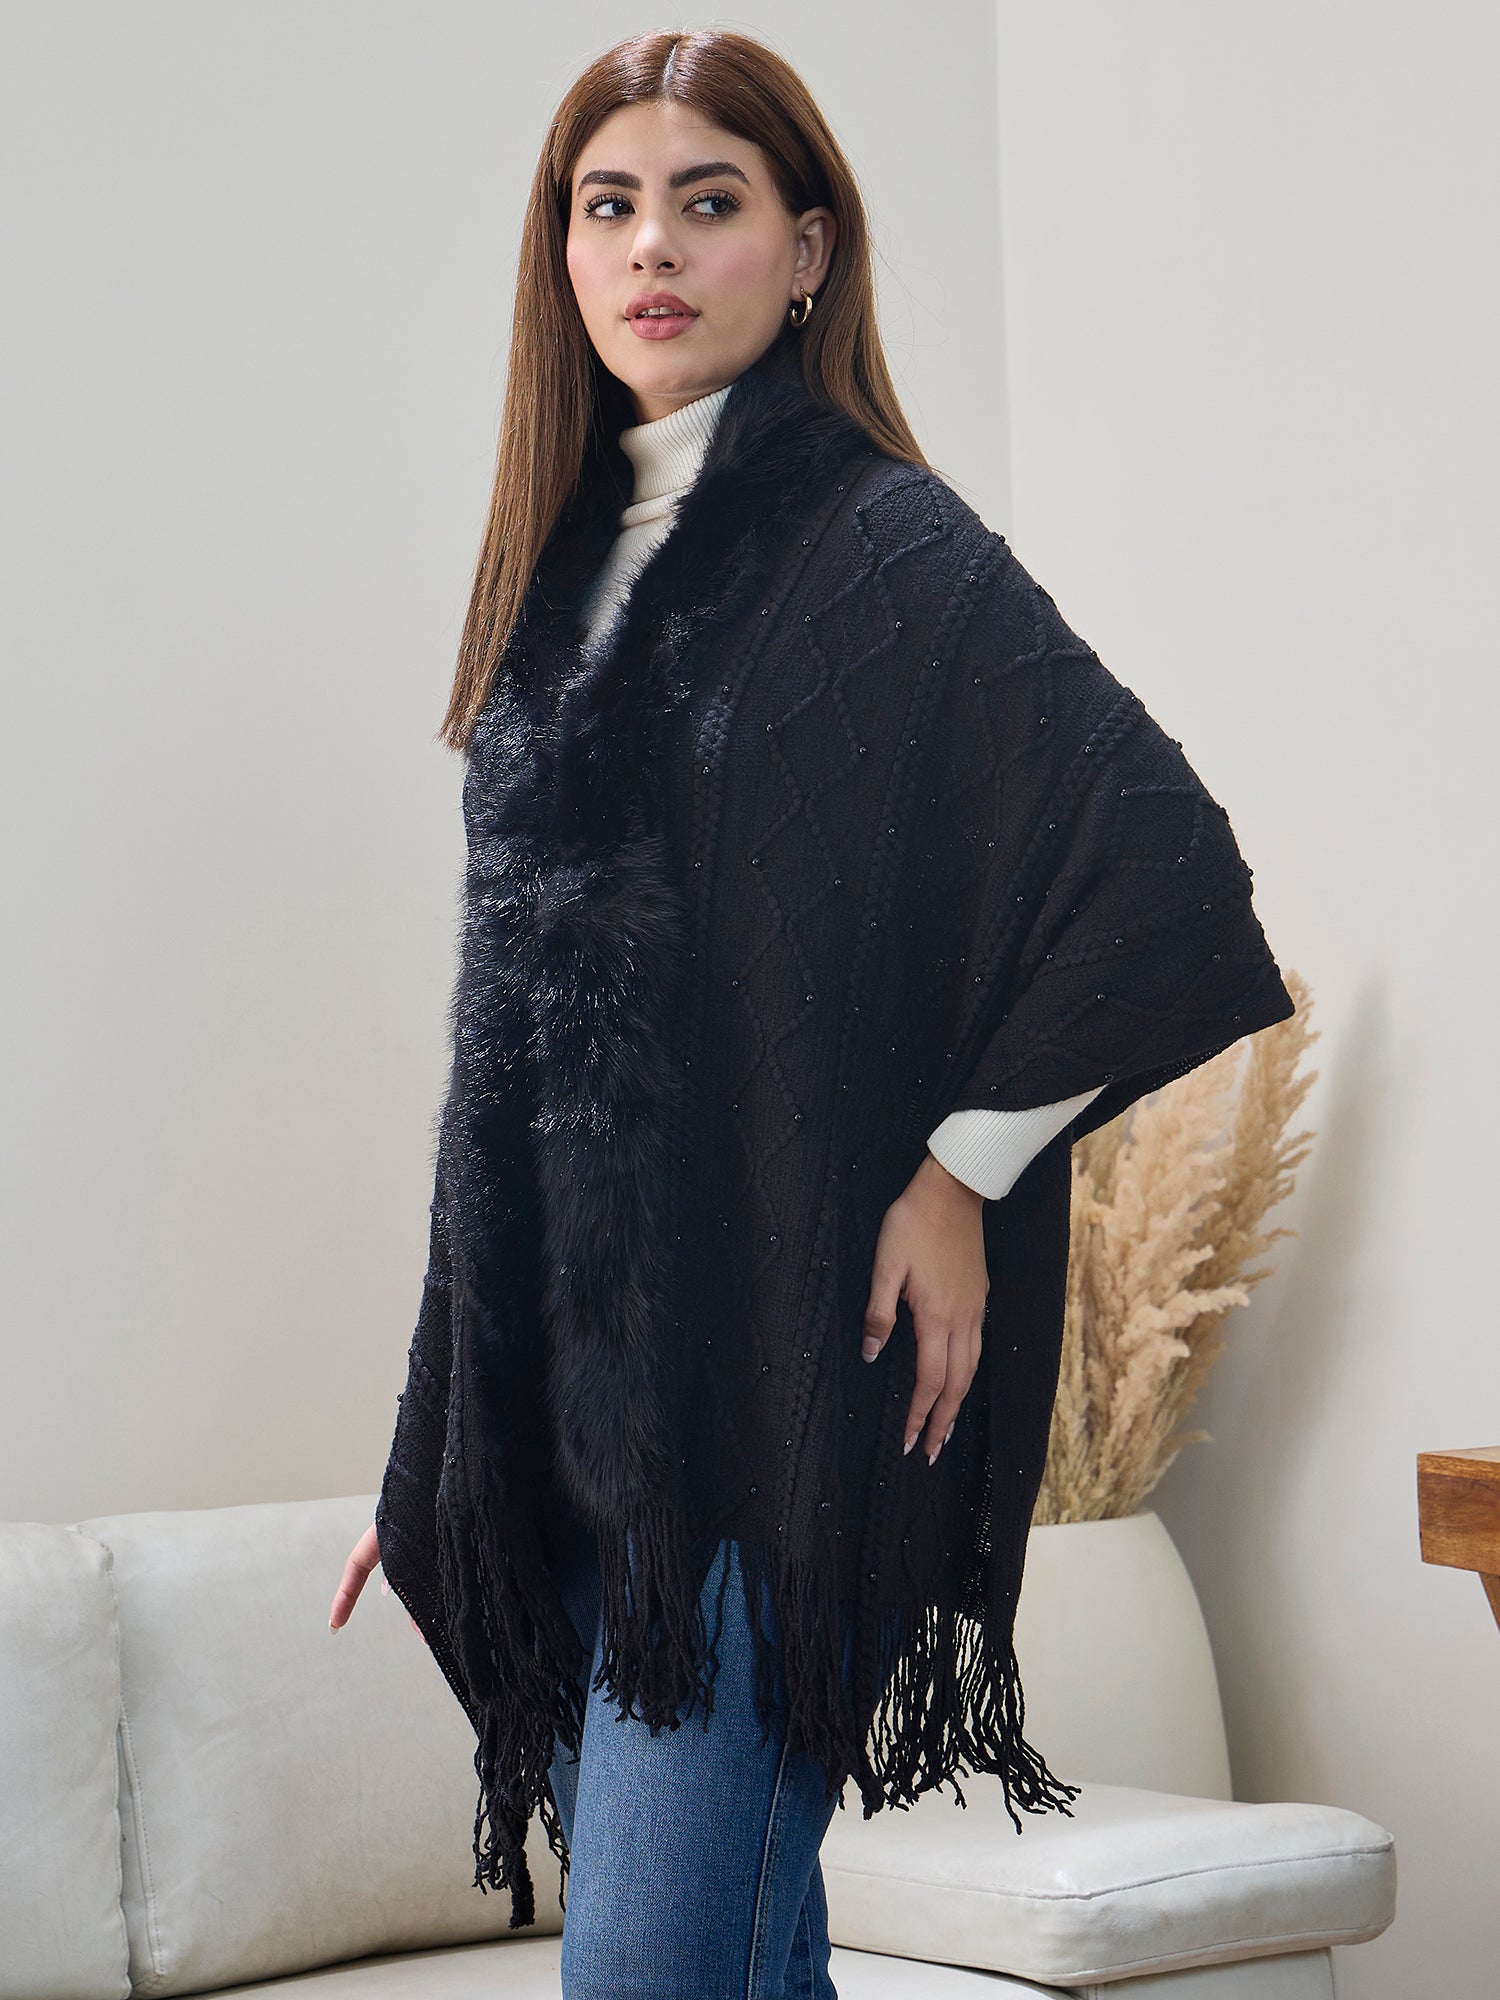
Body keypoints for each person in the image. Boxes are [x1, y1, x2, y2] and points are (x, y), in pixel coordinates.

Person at [328, 27, 1296, 2000]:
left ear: (808, 248)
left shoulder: (883, 546)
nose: (652, 247)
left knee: (650, 1976)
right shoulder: (557, 578)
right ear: (562, 249)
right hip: (560, 1421)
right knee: (749, 1970)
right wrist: (439, 1425)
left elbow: (1162, 868)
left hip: (769, 1405)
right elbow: (516, 1057)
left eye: (709, 202)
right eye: (609, 205)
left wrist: (961, 1171)